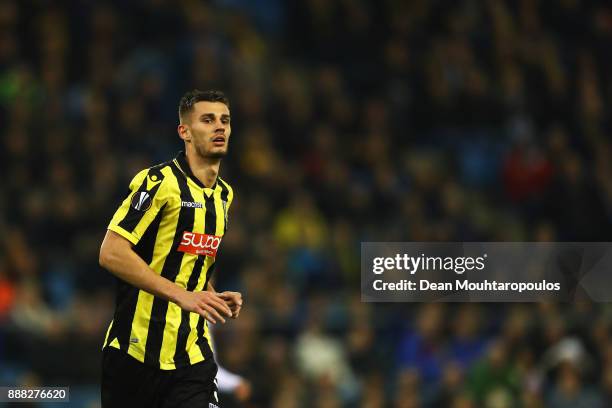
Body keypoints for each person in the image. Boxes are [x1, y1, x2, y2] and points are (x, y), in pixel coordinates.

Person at [98, 89, 242, 408]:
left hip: (191, 355)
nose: (219, 127)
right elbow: (111, 253)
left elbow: (185, 264)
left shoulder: (224, 196)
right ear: (185, 132)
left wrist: (210, 294)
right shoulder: (158, 182)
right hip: (134, 352)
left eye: (225, 120)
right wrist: (183, 295)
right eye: (208, 120)